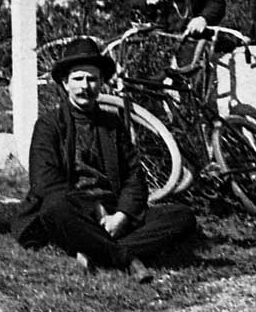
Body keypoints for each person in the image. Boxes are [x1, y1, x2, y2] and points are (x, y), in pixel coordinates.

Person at [11, 38, 199, 282]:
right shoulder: (49, 125)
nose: (85, 87)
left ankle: (93, 249)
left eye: (92, 79)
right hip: (73, 209)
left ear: (101, 83)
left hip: (111, 209)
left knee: (182, 216)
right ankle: (124, 257)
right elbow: (44, 182)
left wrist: (121, 216)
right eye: (78, 79)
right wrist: (93, 209)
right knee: (54, 207)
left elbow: (134, 178)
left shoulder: (112, 124)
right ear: (65, 83)